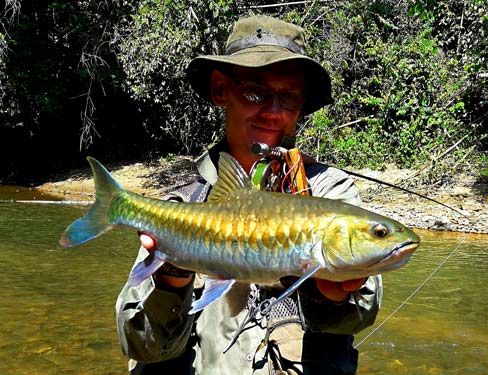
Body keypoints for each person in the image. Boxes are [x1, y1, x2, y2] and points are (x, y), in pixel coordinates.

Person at [116, 15, 382, 375]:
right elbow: (140, 347)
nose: (273, 113)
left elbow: (359, 315)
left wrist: (326, 294)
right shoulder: (182, 208)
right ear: (221, 89)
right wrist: (171, 280)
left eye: (288, 97)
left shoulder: (331, 196)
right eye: (255, 92)